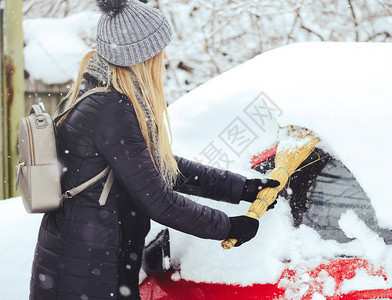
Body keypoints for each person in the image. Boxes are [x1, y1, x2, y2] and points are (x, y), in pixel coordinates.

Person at [29, 0, 280, 299]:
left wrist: (242, 188)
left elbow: (160, 169)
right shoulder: (113, 109)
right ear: (140, 56)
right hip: (86, 273)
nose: (166, 56)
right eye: (159, 49)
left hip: (80, 262)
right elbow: (159, 201)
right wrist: (228, 227)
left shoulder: (95, 93)